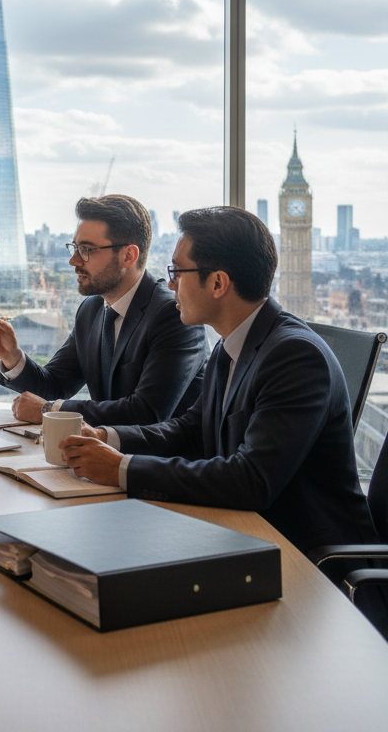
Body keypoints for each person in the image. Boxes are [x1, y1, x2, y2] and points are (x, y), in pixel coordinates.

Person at [60, 205, 379, 564]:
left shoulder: (294, 356)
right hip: (246, 538)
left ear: (217, 283)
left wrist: (121, 469)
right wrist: (108, 438)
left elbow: (250, 480)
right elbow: (191, 430)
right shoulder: (231, 346)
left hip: (312, 567)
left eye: (178, 272)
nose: (169, 284)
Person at [0, 194, 208, 427]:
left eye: (86, 250)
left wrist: (52, 410)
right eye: (75, 248)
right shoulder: (92, 310)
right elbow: (56, 385)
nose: (73, 261)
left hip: (156, 461)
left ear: (128, 256)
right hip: (100, 455)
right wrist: (12, 357)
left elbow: (146, 413)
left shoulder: (173, 315)